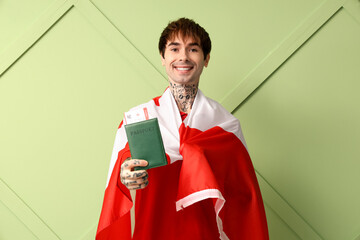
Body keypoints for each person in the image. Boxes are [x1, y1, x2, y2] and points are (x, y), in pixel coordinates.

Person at [96, 17, 269, 240]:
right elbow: (117, 184)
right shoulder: (137, 119)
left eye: (193, 49)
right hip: (151, 232)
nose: (183, 57)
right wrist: (126, 174)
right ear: (163, 57)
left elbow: (244, 198)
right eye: (174, 48)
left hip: (205, 234)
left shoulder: (225, 125)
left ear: (206, 59)